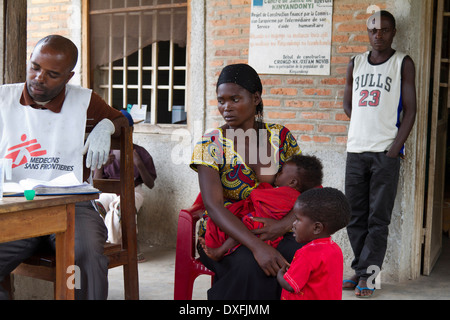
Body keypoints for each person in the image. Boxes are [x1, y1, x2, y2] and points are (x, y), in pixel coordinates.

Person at [0, 35, 129, 300]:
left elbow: (121, 118)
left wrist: (106, 126)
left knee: (85, 254)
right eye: (35, 67)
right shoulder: (4, 98)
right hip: (15, 204)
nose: (38, 78)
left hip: (71, 205)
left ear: (68, 77)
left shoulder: (84, 101)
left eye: (52, 74)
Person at [190, 63, 303, 300]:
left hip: (276, 226)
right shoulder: (211, 143)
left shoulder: (281, 137)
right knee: (251, 266)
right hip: (222, 234)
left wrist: (282, 226)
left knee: (299, 253)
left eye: (234, 99)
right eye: (221, 101)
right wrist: (257, 245)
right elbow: (214, 206)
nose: (226, 107)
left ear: (255, 97)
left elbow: (307, 193)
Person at [342, 10, 417, 298]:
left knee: (378, 219)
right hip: (356, 151)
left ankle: (370, 277)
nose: (379, 35)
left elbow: (410, 110)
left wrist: (394, 148)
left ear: (394, 32)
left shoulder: (402, 63)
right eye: (374, 30)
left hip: (385, 154)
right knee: (354, 215)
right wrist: (364, 125)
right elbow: (348, 105)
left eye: (385, 30)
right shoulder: (356, 63)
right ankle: (361, 270)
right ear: (368, 32)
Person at [202, 154, 323, 261]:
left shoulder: (286, 194)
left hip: (262, 225)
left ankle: (221, 250)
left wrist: (262, 188)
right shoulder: (296, 197)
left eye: (281, 173)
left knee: (244, 226)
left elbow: (256, 196)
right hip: (272, 229)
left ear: (292, 182)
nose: (277, 174)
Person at [94, 110, 157, 257]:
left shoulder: (140, 152)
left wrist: (139, 164)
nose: (117, 135)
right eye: (114, 131)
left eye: (122, 130)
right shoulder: (106, 151)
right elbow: (96, 185)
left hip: (134, 191)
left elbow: (150, 184)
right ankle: (110, 246)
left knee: (120, 207)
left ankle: (114, 247)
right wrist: (101, 165)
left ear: (131, 130)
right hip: (108, 191)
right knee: (96, 205)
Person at [277, 187, 351, 300]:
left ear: (316, 227)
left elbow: (290, 286)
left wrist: (280, 275)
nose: (293, 224)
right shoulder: (335, 249)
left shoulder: (306, 254)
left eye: (298, 219)